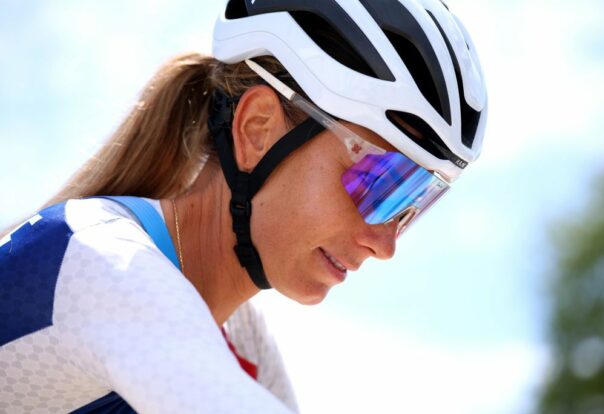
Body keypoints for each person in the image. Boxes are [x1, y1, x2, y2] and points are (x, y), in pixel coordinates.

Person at [0, 0, 488, 412]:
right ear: (257, 129)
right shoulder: (99, 259)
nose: (385, 244)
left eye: (411, 204)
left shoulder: (241, 337)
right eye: (380, 183)